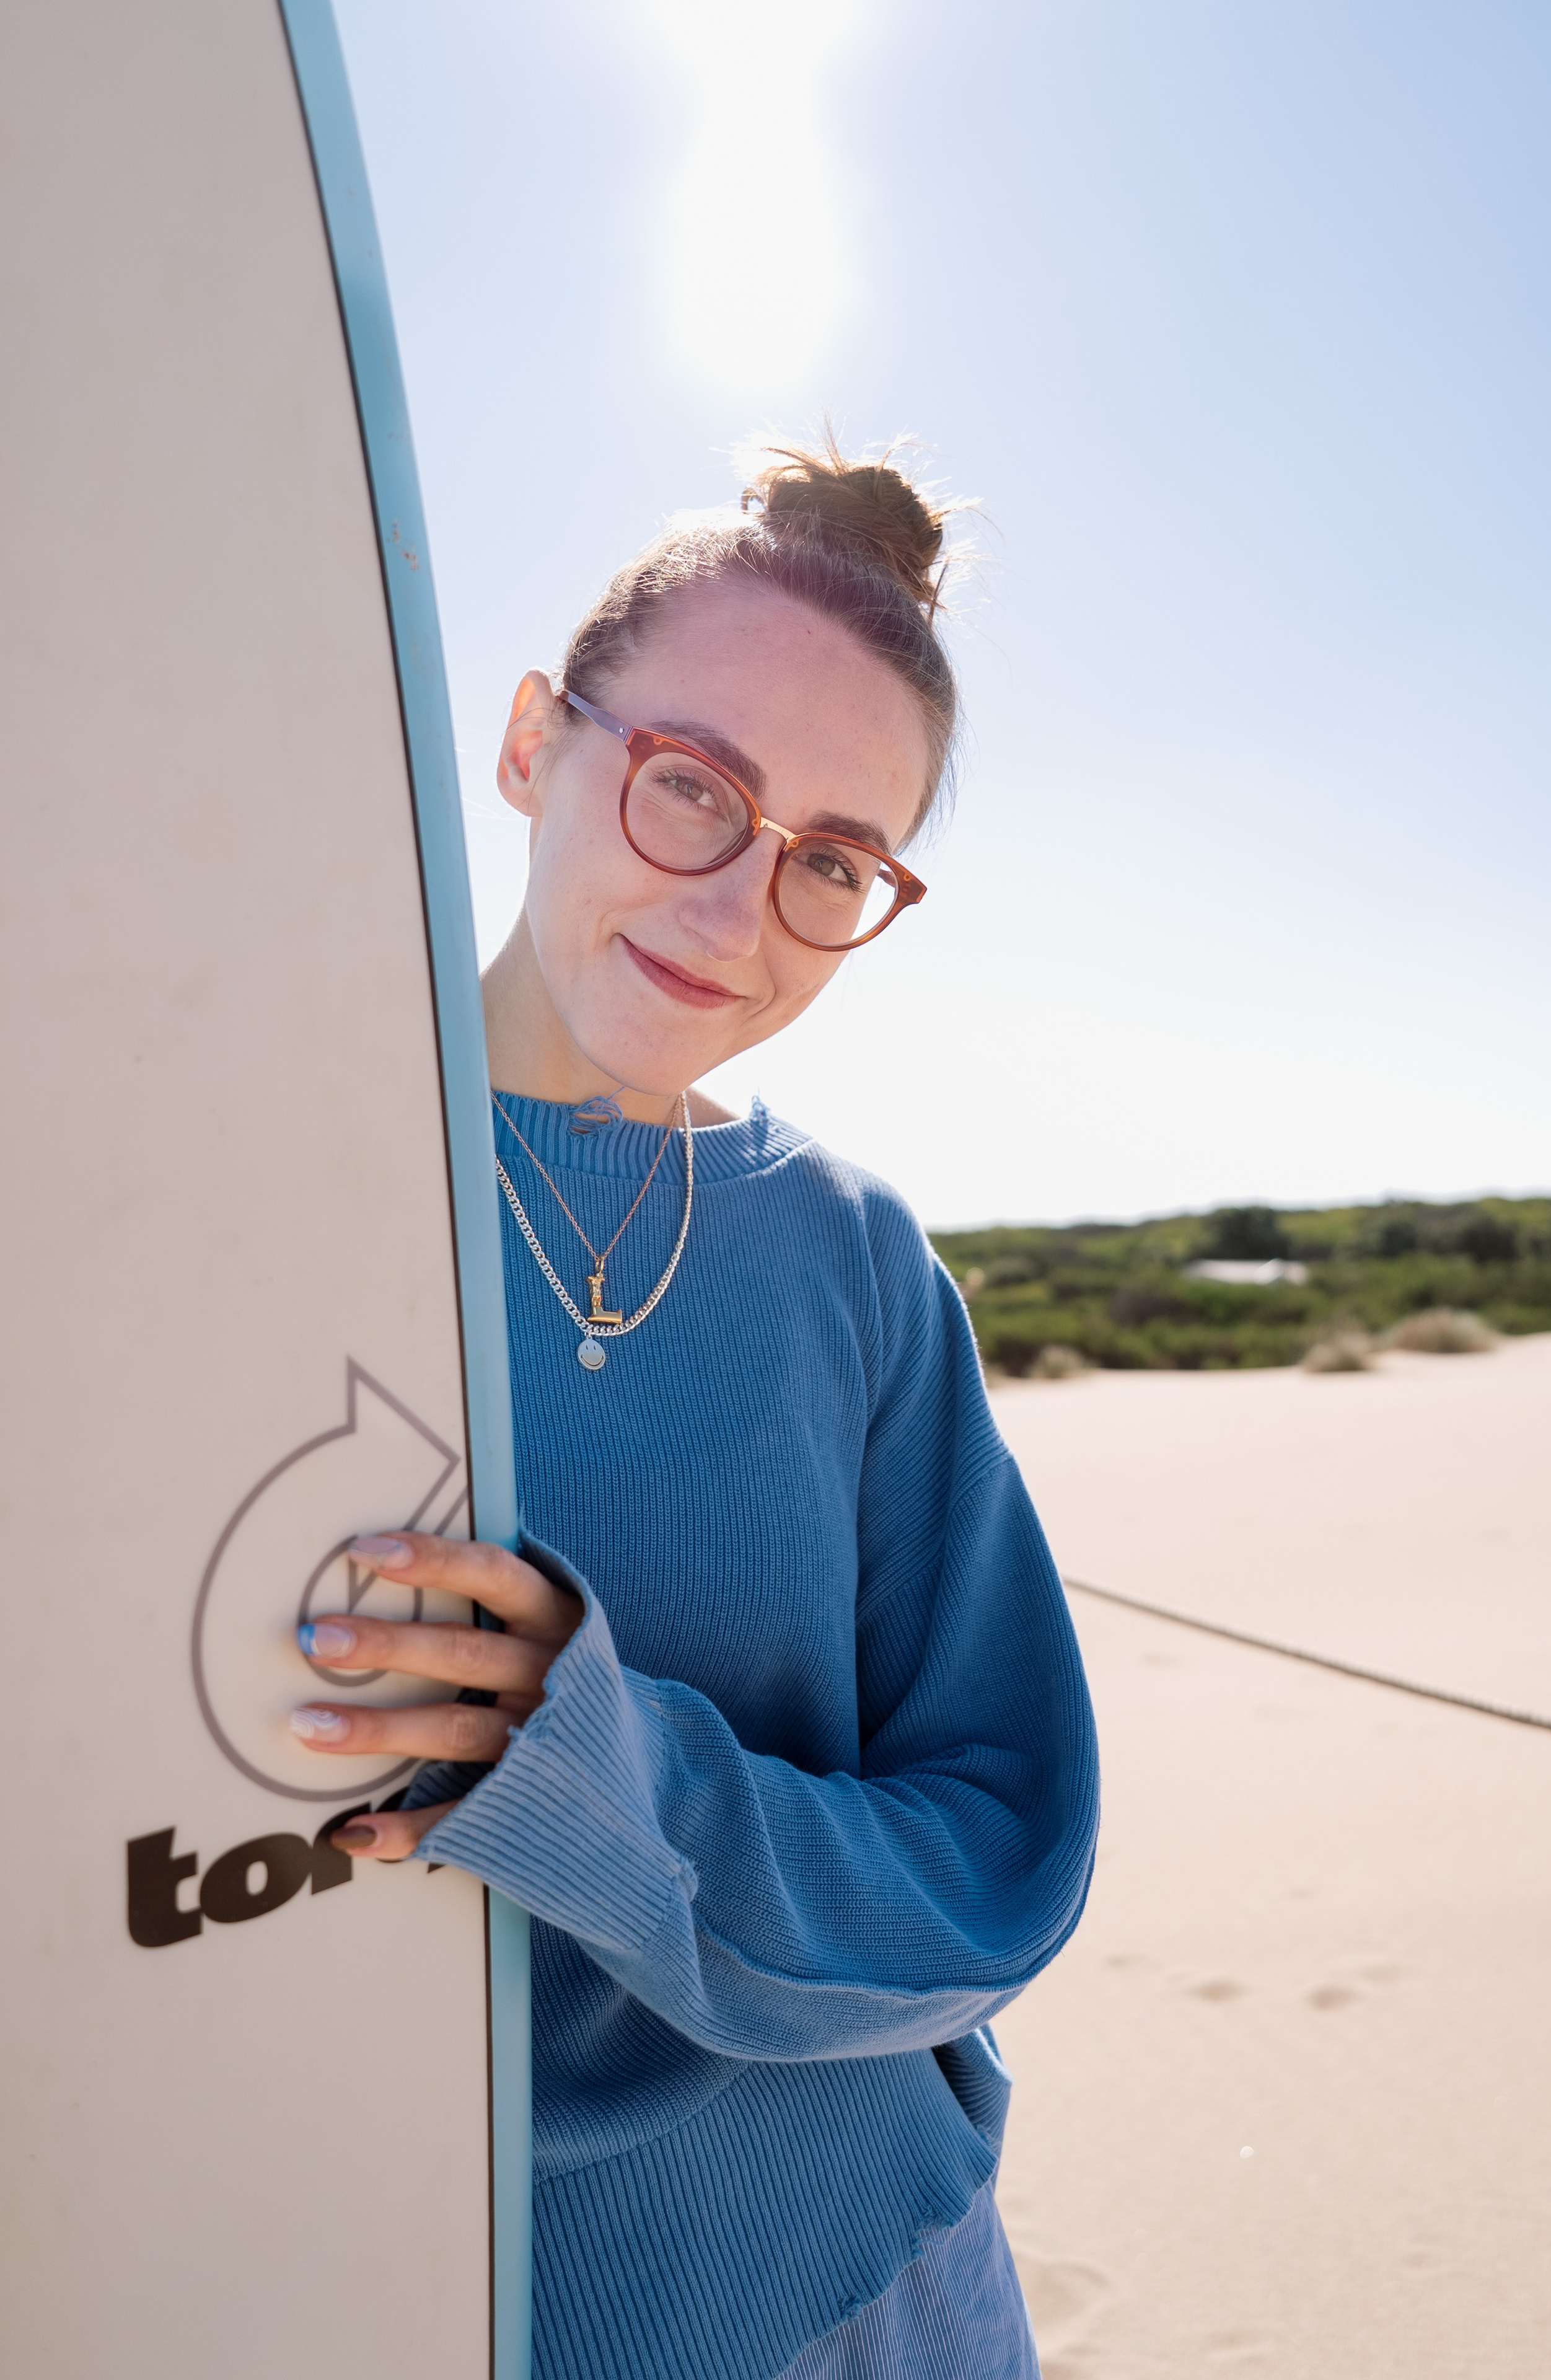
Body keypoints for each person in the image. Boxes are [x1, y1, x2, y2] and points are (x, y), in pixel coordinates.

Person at [287, 438, 1099, 2380]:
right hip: (425, 2306)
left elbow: (1004, 1859)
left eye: (829, 859)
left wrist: (597, 1775)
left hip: (875, 2278)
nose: (741, 909)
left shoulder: (856, 1263)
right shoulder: (266, 1196)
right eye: (690, 789)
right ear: (528, 746)